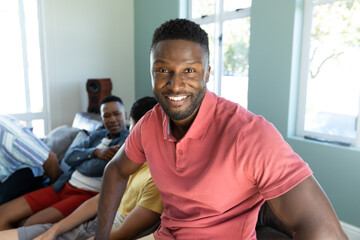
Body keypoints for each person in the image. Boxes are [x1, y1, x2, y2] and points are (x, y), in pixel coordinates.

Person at [95, 19, 348, 240]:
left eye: (189, 71)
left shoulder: (249, 133)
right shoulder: (150, 123)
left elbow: (325, 230)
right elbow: (115, 170)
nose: (174, 85)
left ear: (207, 73)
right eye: (162, 70)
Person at [0, 96, 163, 240]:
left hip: (83, 195)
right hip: (65, 185)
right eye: (106, 115)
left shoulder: (124, 149)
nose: (112, 119)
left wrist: (86, 157)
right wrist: (95, 152)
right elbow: (70, 156)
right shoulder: (99, 136)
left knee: (29, 222)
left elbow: (89, 168)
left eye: (117, 114)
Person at [0, 115, 60, 205]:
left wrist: (54, 188)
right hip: (5, 170)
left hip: (26, 172)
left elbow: (50, 159)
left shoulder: (12, 136)